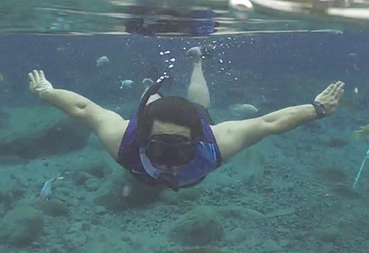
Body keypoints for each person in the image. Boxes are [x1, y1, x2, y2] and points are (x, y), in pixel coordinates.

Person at [27, 47, 344, 191]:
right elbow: (84, 110)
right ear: (144, 141)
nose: (169, 162)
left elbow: (268, 124)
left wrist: (316, 110)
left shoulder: (214, 143)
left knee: (199, 105)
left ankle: (197, 63)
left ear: (196, 141)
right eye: (160, 149)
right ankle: (151, 90)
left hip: (188, 122)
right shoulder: (125, 140)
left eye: (179, 150)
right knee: (149, 101)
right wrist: (46, 92)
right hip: (145, 122)